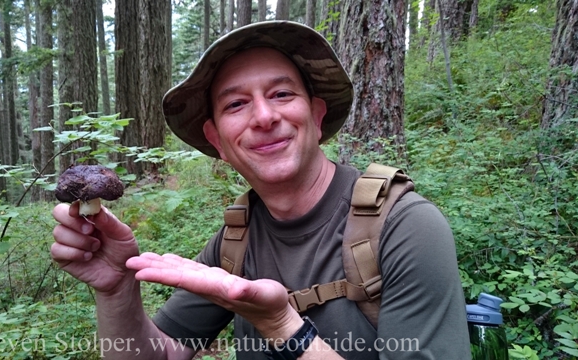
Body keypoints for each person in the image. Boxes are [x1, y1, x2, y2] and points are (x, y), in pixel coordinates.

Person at [51, 21, 471, 360]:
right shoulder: (237, 240)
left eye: (282, 94)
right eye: (236, 104)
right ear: (217, 140)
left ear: (317, 114)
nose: (265, 116)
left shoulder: (405, 226)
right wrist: (117, 289)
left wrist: (284, 328)